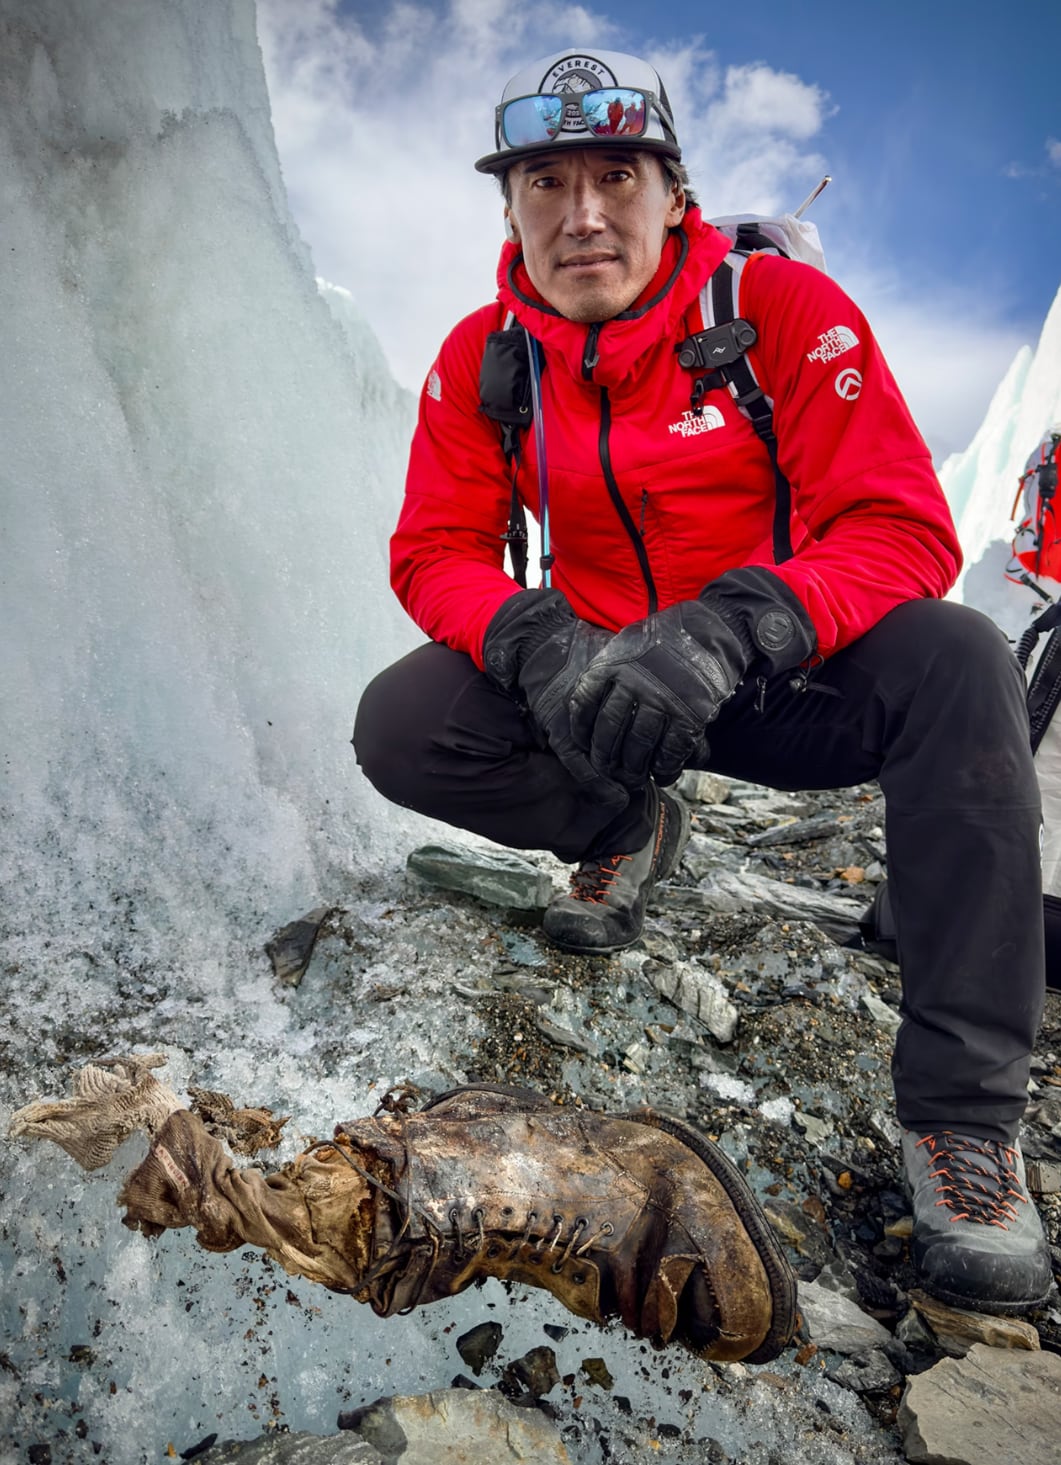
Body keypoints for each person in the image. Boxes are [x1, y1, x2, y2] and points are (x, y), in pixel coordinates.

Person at [353, 48, 1054, 1315]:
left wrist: (744, 620)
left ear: (673, 193)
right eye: (544, 183)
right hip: (607, 696)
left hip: (783, 680)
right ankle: (627, 826)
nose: (581, 215)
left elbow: (899, 526)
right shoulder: (484, 362)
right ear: (506, 211)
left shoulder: (776, 311)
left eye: (614, 176)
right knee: (403, 722)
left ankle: (964, 1125)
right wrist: (533, 639)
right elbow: (433, 549)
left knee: (960, 662)